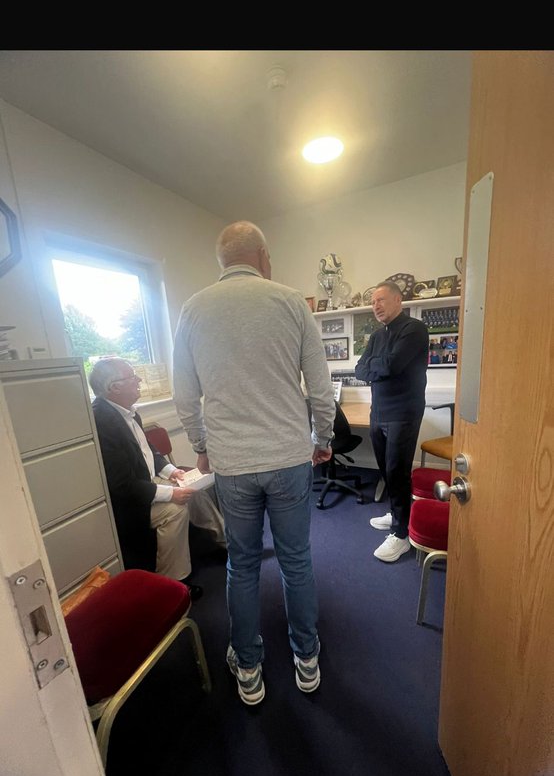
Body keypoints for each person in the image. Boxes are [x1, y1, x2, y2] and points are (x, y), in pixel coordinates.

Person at [172, 221, 336, 705]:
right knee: (296, 561)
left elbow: (185, 397)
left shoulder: (193, 309)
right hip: (288, 457)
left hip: (232, 463)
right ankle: (307, 658)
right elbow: (320, 389)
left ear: (222, 261)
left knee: (241, 565)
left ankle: (248, 667)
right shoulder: (290, 301)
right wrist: (322, 438)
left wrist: (202, 445)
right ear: (263, 255)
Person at [89, 357, 226, 598]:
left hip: (147, 483)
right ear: (114, 388)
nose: (139, 380)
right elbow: (122, 486)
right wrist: (172, 493)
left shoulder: (127, 412)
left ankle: (226, 545)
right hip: (129, 501)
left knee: (194, 491)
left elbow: (149, 452)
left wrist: (172, 472)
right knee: (175, 510)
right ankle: (172, 584)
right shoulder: (101, 422)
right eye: (132, 377)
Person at [354, 281, 429, 562]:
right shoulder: (377, 336)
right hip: (379, 412)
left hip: (404, 412)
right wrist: (377, 366)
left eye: (381, 300)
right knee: (385, 468)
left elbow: (392, 366)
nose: (376, 306)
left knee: (398, 470)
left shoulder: (414, 329)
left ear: (398, 300)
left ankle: (401, 536)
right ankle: (397, 512)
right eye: (373, 302)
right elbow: (360, 368)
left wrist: (377, 366)